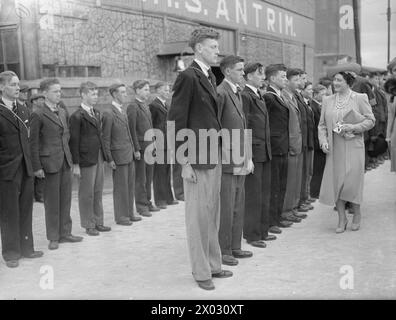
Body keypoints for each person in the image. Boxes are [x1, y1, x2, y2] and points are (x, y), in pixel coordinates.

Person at [168, 28, 232, 291]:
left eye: (217, 47)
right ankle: (201, 270)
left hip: (212, 154)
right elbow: (175, 121)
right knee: (198, 217)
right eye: (213, 47)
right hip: (196, 157)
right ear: (199, 49)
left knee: (212, 213)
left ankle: (213, 265)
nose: (218, 51)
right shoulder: (188, 76)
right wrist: (184, 162)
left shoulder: (207, 75)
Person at [318, 71, 375, 233]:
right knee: (338, 183)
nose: (335, 83)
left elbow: (370, 120)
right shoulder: (327, 100)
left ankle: (357, 213)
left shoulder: (360, 98)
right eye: (334, 80)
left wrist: (354, 127)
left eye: (339, 80)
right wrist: (323, 141)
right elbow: (321, 125)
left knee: (352, 182)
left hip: (353, 146)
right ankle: (341, 218)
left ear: (348, 82)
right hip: (335, 147)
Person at [30, 78, 83, 250]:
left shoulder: (62, 111)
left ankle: (65, 233)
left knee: (66, 199)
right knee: (52, 202)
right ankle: (53, 236)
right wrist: (37, 167)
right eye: (55, 91)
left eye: (60, 91)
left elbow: (66, 136)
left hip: (64, 161)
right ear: (44, 93)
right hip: (49, 164)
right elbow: (33, 143)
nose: (59, 94)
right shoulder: (37, 114)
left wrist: (72, 160)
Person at [0, 71, 43, 268]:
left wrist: (33, 167)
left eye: (18, 84)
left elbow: (29, 141)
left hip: (25, 169)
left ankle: (27, 248)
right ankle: (11, 253)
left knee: (26, 209)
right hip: (7, 171)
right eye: (13, 85)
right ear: (2, 87)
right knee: (9, 213)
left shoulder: (24, 109)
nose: (18, 88)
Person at [217, 55, 253, 266]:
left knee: (238, 204)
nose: (242, 73)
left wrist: (247, 156)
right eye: (239, 70)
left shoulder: (236, 92)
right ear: (228, 71)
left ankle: (235, 246)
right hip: (228, 159)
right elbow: (216, 129)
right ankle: (224, 250)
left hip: (240, 157)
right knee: (227, 205)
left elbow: (243, 127)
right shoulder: (221, 92)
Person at [69, 82, 111, 236]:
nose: (95, 97)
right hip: (86, 159)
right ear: (83, 95)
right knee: (87, 193)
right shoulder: (77, 116)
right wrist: (76, 164)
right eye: (92, 94)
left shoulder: (97, 113)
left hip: (98, 156)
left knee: (98, 190)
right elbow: (74, 141)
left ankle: (98, 221)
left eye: (96, 94)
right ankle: (88, 224)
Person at [241, 62, 275, 248]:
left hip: (264, 151)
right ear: (249, 76)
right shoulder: (246, 96)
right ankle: (252, 234)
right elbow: (244, 128)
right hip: (254, 152)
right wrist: (247, 156)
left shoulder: (258, 95)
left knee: (263, 193)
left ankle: (262, 230)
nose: (263, 77)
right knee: (253, 195)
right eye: (259, 74)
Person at [102, 83, 141, 226]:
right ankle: (121, 216)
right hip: (118, 156)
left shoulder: (122, 111)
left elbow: (129, 133)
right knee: (120, 188)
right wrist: (109, 158)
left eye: (126, 92)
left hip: (128, 154)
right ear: (114, 94)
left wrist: (134, 150)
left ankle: (130, 212)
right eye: (122, 92)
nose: (126, 95)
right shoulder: (109, 113)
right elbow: (105, 138)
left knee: (130, 185)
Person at [263, 64, 292, 234]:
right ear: (272, 79)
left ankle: (278, 216)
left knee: (281, 185)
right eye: (282, 77)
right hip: (274, 148)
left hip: (283, 146)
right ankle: (271, 220)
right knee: (273, 186)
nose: (285, 80)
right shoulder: (268, 97)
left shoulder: (279, 96)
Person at [128, 80, 158, 216]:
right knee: (141, 178)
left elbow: (150, 126)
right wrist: (136, 149)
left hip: (150, 146)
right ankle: (141, 206)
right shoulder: (133, 107)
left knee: (149, 177)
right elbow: (132, 130)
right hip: (141, 148)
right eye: (145, 89)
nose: (148, 92)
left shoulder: (145, 105)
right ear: (137, 90)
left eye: (148, 89)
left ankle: (147, 201)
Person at [280, 69, 306, 224]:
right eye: (295, 80)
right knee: (289, 181)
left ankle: (293, 208)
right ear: (288, 82)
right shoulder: (284, 97)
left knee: (295, 179)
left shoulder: (294, 97)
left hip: (298, 143)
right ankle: (286, 211)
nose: (298, 82)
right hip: (290, 144)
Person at [149, 81, 178, 209]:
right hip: (159, 143)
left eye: (168, 90)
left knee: (167, 171)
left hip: (167, 143)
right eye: (165, 90)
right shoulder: (153, 106)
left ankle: (168, 198)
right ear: (158, 90)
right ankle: (160, 199)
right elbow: (152, 126)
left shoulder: (166, 104)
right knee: (159, 173)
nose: (168, 92)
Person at [310, 84, 328, 199]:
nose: (325, 97)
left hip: (321, 142)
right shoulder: (313, 106)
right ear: (315, 95)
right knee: (317, 168)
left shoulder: (320, 106)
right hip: (317, 143)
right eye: (323, 94)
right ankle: (314, 192)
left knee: (321, 168)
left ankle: (318, 191)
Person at [30, 93, 45, 203]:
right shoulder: (32, 113)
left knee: (40, 173)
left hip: (41, 146)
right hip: (32, 145)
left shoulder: (43, 113)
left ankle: (39, 195)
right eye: (40, 100)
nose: (42, 102)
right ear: (34, 101)